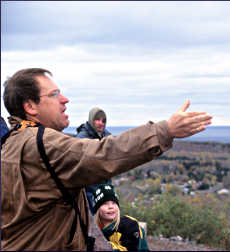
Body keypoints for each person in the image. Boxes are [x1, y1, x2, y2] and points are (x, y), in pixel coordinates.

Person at [1, 68, 212, 251]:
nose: (65, 100)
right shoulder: (43, 144)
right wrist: (165, 131)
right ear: (30, 106)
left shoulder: (11, 141)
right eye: (55, 94)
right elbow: (104, 154)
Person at [76, 107, 112, 215]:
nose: (101, 123)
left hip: (105, 186)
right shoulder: (82, 139)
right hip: (89, 190)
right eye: (97, 120)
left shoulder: (107, 136)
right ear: (91, 120)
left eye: (103, 120)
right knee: (93, 221)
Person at [93, 184, 149, 251]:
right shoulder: (93, 228)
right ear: (97, 209)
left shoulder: (130, 225)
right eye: (105, 203)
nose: (111, 207)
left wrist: (107, 246)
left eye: (114, 203)